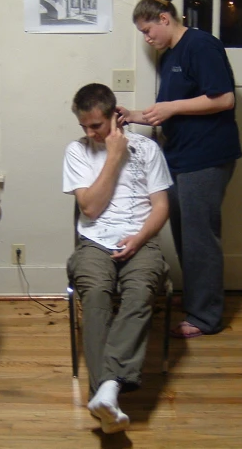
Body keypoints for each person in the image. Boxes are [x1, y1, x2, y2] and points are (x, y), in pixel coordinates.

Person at [117, 0, 242, 339]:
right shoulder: (171, 55)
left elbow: (225, 99)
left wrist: (171, 108)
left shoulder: (201, 45)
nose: (147, 38)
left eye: (147, 30)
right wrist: (134, 114)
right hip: (181, 157)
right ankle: (197, 301)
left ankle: (206, 317)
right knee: (186, 235)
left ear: (164, 18)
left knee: (201, 237)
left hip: (206, 156)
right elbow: (167, 111)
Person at [64, 83, 172, 433]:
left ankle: (105, 392)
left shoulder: (148, 149)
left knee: (140, 293)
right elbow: (90, 208)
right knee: (95, 295)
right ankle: (108, 394)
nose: (90, 133)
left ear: (115, 115)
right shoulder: (77, 152)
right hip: (94, 241)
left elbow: (161, 207)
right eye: (84, 126)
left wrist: (140, 238)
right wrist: (112, 155)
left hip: (141, 241)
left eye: (96, 125)